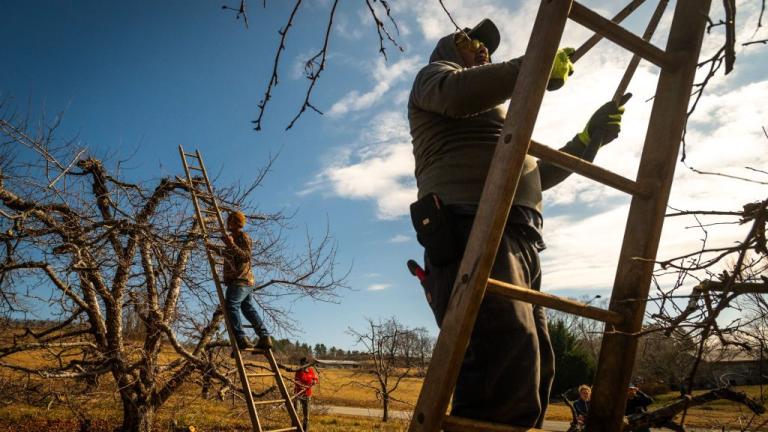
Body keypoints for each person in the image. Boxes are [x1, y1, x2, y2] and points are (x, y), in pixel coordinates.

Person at [408, 18, 626, 428]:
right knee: (504, 358)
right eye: (472, 42)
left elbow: (531, 177)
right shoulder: (434, 78)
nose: (483, 50)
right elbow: (457, 95)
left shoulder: (495, 118)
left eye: (487, 48)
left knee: (536, 362)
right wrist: (536, 67)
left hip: (517, 235)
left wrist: (587, 140)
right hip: (471, 225)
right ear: (448, 48)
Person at [222, 211, 272, 350]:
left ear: (236, 222)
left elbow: (245, 257)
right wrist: (217, 248)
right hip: (243, 280)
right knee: (247, 308)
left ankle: (241, 338)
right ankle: (264, 337)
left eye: (230, 220)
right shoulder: (234, 238)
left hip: (240, 280)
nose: (227, 223)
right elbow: (233, 256)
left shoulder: (243, 237)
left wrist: (231, 244)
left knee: (231, 305)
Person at [293, 357, 319, 431]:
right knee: (296, 412)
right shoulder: (298, 372)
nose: (304, 366)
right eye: (302, 364)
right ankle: (295, 429)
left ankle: (305, 430)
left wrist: (314, 381)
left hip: (307, 395)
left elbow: (315, 379)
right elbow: (296, 382)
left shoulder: (310, 370)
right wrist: (302, 386)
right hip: (298, 394)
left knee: (306, 415)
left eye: (305, 364)